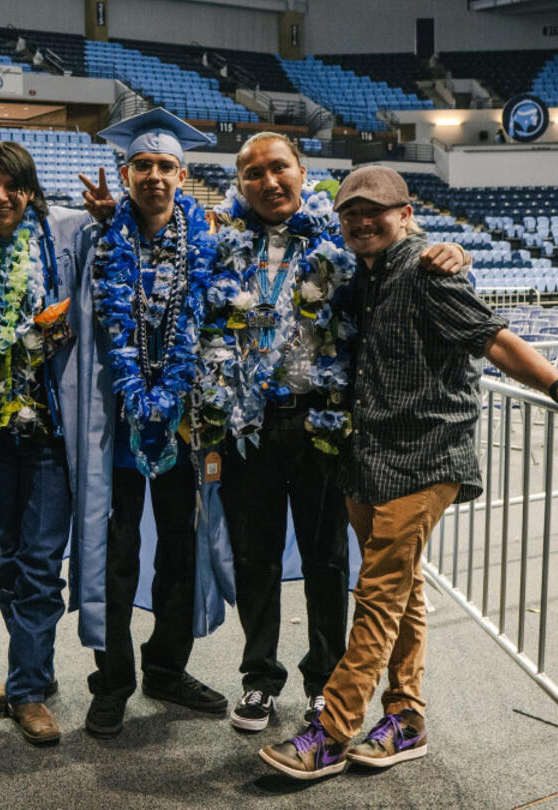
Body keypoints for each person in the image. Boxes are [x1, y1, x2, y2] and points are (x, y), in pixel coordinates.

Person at [259, 165, 558, 779]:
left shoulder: (428, 272)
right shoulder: (362, 275)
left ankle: (334, 729)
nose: (363, 222)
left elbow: (494, 339)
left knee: (376, 596)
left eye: (376, 211)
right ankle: (407, 718)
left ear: (405, 215)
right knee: (403, 591)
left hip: (425, 460)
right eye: (351, 214)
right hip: (369, 460)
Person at [201, 134, 472, 734]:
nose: (269, 182)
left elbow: (399, 249)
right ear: (239, 182)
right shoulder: (219, 247)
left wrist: (448, 247)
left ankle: (322, 681)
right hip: (247, 424)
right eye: (253, 173)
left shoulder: (343, 243)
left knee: (326, 559)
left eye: (279, 169)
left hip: (322, 420)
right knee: (255, 557)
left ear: (302, 173)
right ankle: (258, 679)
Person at [0, 141, 105, 745]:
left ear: (30, 191)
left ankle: (28, 690)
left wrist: (109, 214)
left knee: (37, 565)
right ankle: (29, 667)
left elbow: (130, 233)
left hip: (52, 429)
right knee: (5, 561)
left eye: (12, 186)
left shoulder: (67, 233)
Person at [77, 110, 229, 740]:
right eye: (143, 165)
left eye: (166, 166)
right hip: (114, 431)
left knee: (178, 549)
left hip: (185, 431)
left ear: (182, 175)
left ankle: (165, 668)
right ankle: (111, 680)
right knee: (115, 555)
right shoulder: (97, 241)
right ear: (126, 171)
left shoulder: (212, 243)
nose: (155, 176)